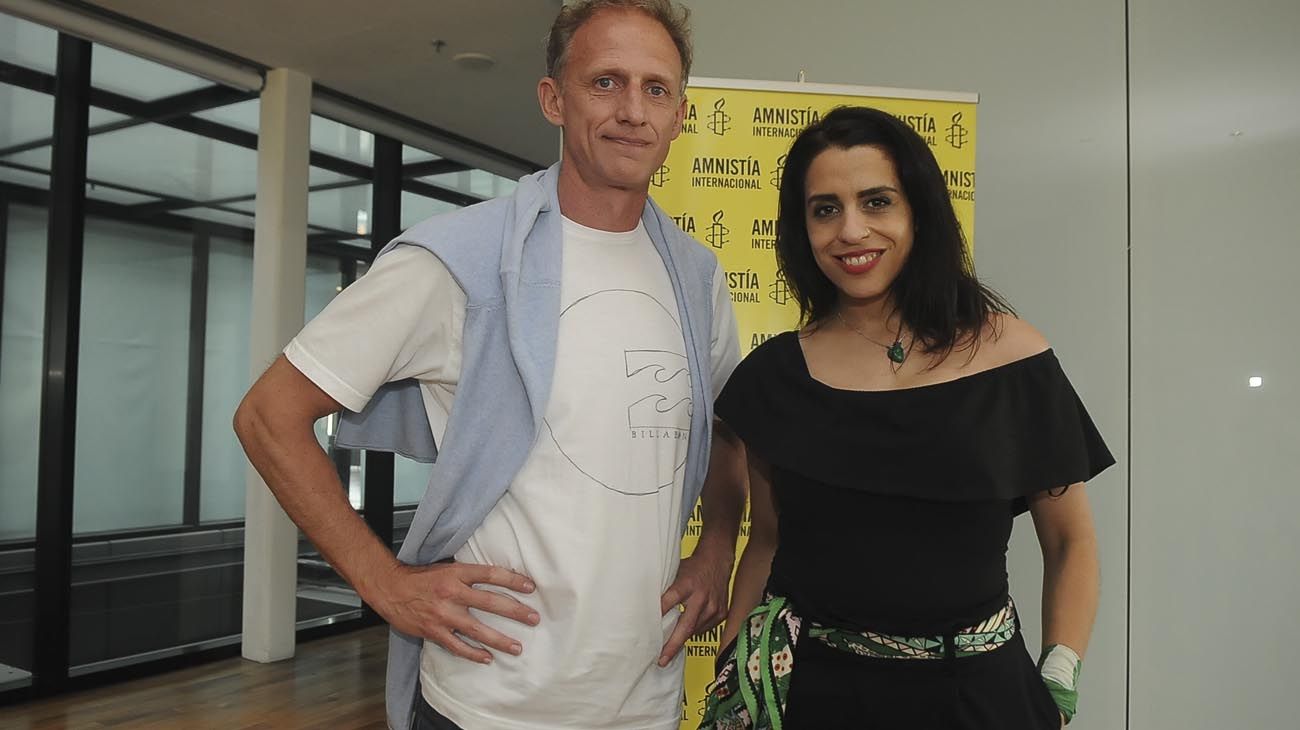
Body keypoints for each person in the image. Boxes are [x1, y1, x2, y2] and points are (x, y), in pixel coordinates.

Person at [233, 2, 746, 729]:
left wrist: (719, 544)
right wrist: (385, 583)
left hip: (646, 705)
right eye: (606, 82)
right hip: (487, 705)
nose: (634, 110)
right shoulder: (456, 263)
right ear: (553, 99)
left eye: (655, 89)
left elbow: (727, 428)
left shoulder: (697, 278)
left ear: (679, 114)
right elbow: (267, 415)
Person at [699, 106, 1113, 730]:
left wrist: (1058, 678)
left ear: (918, 210)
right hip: (813, 698)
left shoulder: (1012, 358)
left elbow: (1069, 540)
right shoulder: (775, 376)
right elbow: (767, 542)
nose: (851, 230)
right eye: (825, 209)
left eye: (876, 201)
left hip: (980, 698)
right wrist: (732, 673)